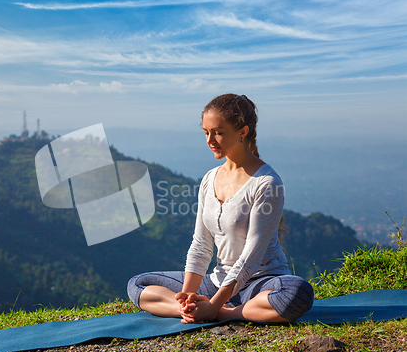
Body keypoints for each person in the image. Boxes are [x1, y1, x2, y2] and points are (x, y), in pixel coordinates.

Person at [127, 93, 314, 324]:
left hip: (258, 282)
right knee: (138, 284)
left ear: (242, 132)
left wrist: (216, 305)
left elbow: (250, 258)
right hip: (216, 282)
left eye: (218, 132)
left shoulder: (267, 183)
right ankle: (190, 310)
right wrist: (188, 297)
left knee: (297, 293)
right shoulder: (209, 179)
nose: (210, 140)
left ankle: (225, 313)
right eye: (206, 132)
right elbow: (201, 245)